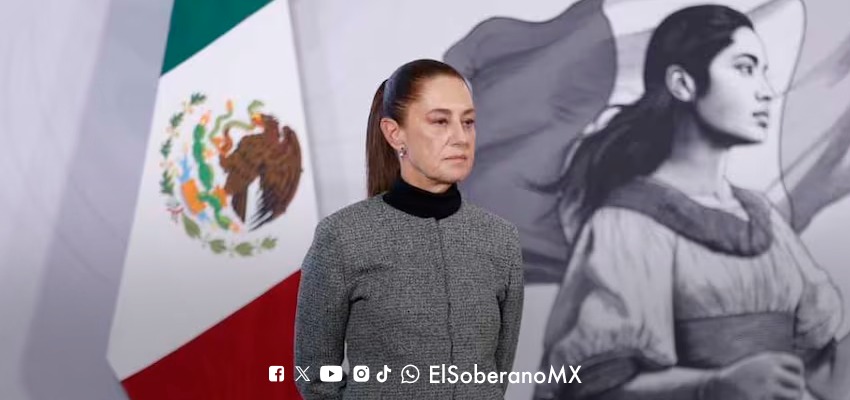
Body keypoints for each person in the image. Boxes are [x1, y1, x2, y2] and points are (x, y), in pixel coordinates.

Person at [533, 5, 846, 400]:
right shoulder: (628, 225)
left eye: (763, 71)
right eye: (745, 68)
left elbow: (825, 375)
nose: (766, 90)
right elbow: (586, 387)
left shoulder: (763, 219)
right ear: (683, 84)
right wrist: (714, 385)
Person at [294, 59, 524, 399]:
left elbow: (495, 372)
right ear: (394, 133)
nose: (461, 137)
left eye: (468, 122)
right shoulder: (343, 238)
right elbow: (314, 375)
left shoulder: (500, 240)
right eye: (440, 121)